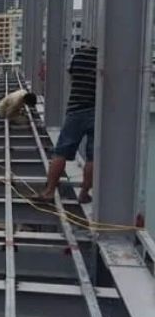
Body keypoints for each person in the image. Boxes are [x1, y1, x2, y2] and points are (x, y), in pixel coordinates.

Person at [38, 45, 97, 204]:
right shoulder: (103, 59)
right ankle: (84, 193)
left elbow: (71, 76)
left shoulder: (78, 57)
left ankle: (49, 191)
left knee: (61, 152)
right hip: (96, 112)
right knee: (92, 157)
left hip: (76, 110)